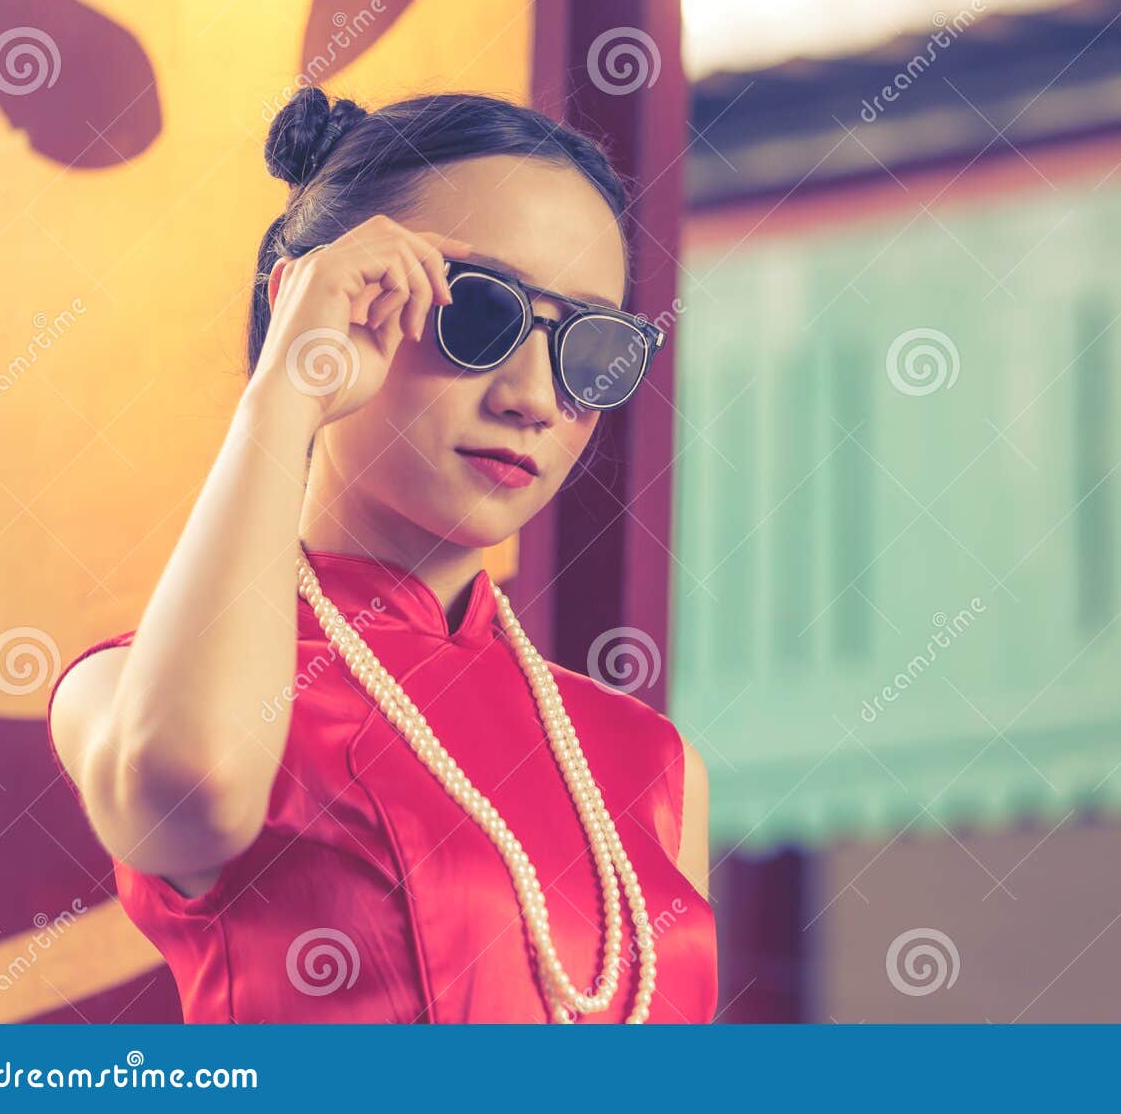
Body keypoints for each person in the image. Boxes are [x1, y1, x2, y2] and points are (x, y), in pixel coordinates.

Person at [45, 87, 717, 1023]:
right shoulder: (129, 691)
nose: (535, 396)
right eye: (478, 312)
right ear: (316, 305)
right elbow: (191, 791)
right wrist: (292, 384)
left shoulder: (649, 761)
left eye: (590, 346)